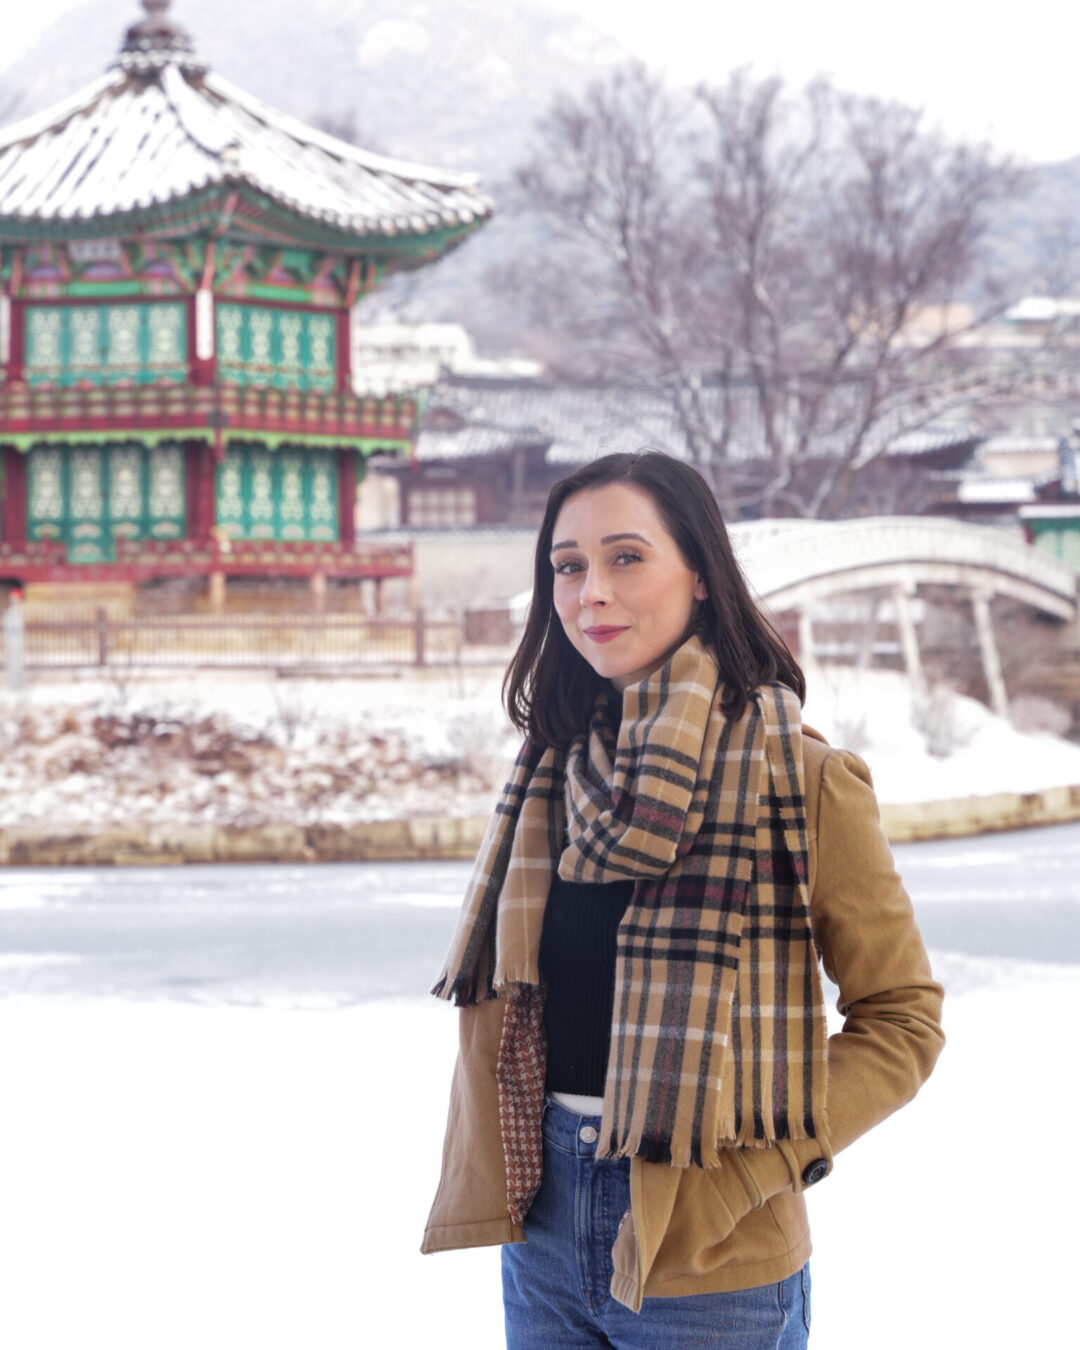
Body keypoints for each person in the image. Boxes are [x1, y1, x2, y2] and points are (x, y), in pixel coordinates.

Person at [422, 451, 944, 1349]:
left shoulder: (805, 780)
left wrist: (759, 1167)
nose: (592, 591)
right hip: (541, 1225)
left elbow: (902, 1019)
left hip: (713, 1247)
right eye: (568, 565)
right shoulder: (550, 773)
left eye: (627, 557)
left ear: (700, 574)